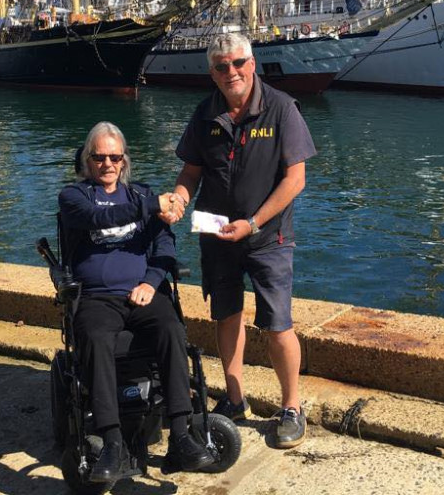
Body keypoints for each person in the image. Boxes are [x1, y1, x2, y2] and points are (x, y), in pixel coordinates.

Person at [168, 32, 316, 449]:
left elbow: (296, 179)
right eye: (221, 66)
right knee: (226, 315)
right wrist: (179, 199)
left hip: (269, 236)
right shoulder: (204, 114)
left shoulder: (282, 109)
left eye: (237, 63)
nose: (230, 72)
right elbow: (191, 172)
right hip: (217, 233)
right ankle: (234, 400)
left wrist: (253, 222)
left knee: (277, 323)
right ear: (212, 73)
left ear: (252, 65)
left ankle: (291, 407)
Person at [57, 121, 214, 482]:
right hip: (96, 297)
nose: (108, 164)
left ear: (124, 160)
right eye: (99, 157)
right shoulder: (74, 197)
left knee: (172, 328)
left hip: (142, 293)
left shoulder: (141, 194)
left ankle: (180, 434)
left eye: (115, 157)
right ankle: (112, 441)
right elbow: (99, 218)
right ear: (87, 160)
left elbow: (165, 246)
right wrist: (149, 206)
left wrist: (151, 281)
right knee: (95, 339)